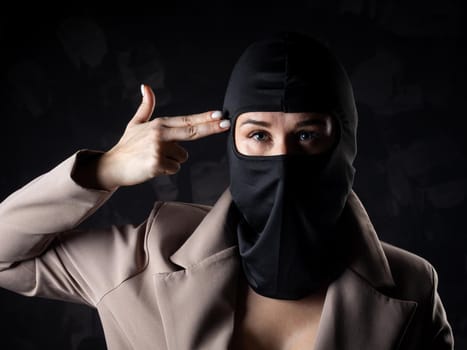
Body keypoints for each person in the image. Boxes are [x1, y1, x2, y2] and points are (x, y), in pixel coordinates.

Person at [0, 32, 454, 349]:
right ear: (232, 142)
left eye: (307, 135)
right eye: (258, 135)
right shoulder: (144, 258)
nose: (283, 161)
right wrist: (103, 170)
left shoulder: (412, 289)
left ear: (345, 142)